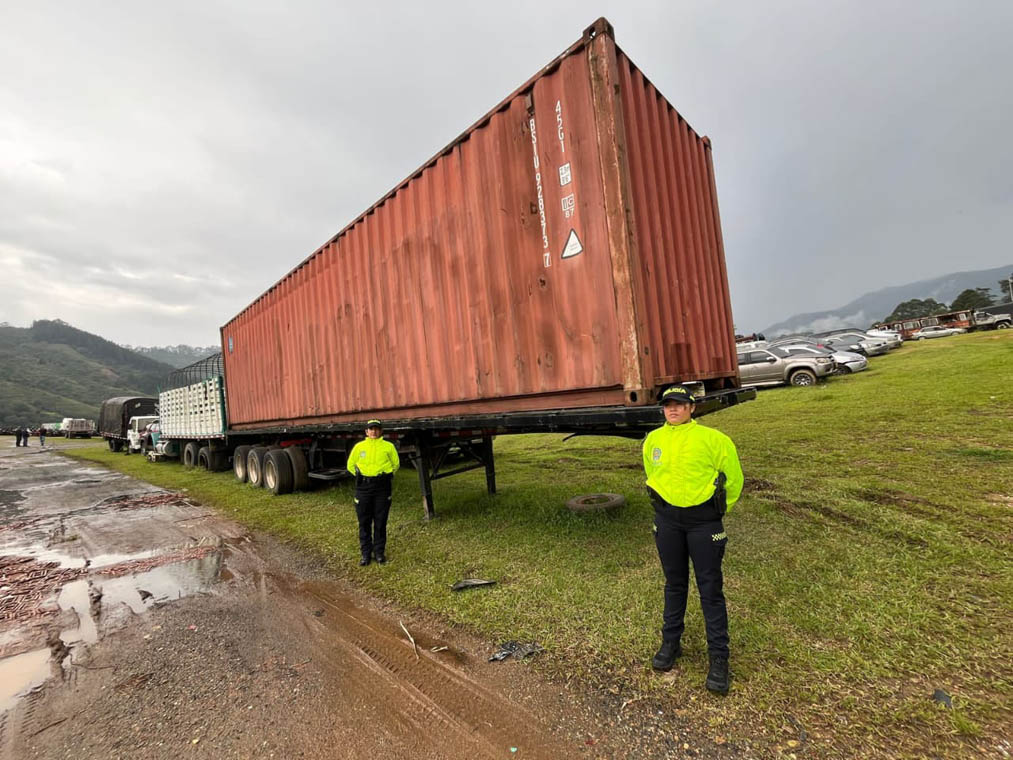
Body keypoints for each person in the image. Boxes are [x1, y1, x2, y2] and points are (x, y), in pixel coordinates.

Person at [642, 385, 743, 695]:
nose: (673, 409)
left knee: (710, 589)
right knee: (674, 584)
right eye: (668, 405)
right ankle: (671, 643)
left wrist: (715, 511)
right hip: (668, 521)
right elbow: (652, 473)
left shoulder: (714, 439)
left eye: (680, 404)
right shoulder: (653, 440)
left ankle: (719, 658)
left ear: (692, 408)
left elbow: (734, 479)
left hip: (703, 522)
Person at [346, 419, 400, 566]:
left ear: (381, 431)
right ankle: (365, 554)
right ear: (366, 431)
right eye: (371, 429)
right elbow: (350, 465)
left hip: (382, 488)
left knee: (380, 521)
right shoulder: (359, 447)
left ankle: (379, 553)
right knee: (364, 522)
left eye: (376, 429)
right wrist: (360, 477)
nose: (374, 431)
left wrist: (385, 476)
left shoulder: (388, 446)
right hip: (364, 488)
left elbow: (396, 464)